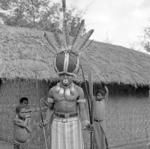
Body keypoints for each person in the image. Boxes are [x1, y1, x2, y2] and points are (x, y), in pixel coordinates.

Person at [41, 73, 90, 149]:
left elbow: (82, 109)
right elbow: (50, 108)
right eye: (63, 75)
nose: (65, 77)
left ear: (73, 76)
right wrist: (46, 120)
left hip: (74, 122)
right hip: (57, 122)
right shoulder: (52, 91)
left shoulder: (79, 90)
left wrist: (86, 122)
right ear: (59, 76)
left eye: (68, 75)